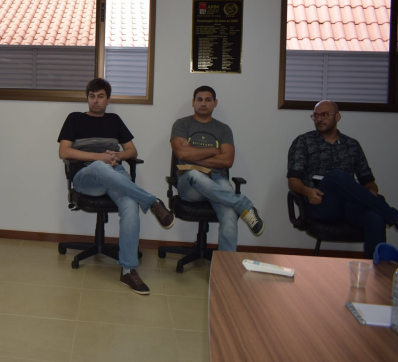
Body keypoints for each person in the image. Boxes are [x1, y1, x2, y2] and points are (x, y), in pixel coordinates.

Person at [57, 78, 174, 295]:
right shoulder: (74, 118)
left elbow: (132, 151)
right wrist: (99, 157)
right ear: (87, 98)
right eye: (92, 96)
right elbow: (64, 151)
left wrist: (117, 156)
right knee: (100, 167)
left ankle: (128, 270)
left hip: (115, 175)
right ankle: (151, 202)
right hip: (86, 177)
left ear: (108, 99)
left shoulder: (114, 120)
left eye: (100, 96)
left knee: (130, 206)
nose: (95, 101)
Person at [287, 100, 398, 258]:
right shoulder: (303, 142)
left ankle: (376, 268)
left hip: (350, 206)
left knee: (375, 217)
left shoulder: (352, 145)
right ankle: (393, 216)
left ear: (337, 117)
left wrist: (371, 192)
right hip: (320, 205)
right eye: (316, 116)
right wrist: (307, 191)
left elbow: (368, 181)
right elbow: (293, 181)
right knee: (336, 175)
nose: (319, 119)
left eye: (324, 115)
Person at [170, 86, 264, 253]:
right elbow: (182, 154)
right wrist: (215, 150)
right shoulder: (182, 124)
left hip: (217, 179)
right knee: (194, 174)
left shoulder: (223, 129)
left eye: (208, 100)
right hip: (189, 183)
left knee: (229, 215)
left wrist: (193, 153)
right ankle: (243, 204)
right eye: (199, 99)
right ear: (193, 102)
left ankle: (226, 265)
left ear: (215, 103)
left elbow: (227, 160)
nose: (203, 103)